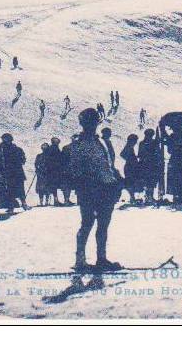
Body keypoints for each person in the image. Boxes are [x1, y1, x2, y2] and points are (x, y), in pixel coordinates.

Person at [69, 108, 124, 272]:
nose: (93, 125)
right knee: (93, 224)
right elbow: (89, 168)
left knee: (96, 224)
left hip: (96, 188)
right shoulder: (85, 143)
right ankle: (86, 260)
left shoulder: (88, 141)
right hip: (95, 188)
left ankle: (93, 259)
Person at [0, 133, 29, 211]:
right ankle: (13, 206)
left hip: (15, 172)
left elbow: (23, 159)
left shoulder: (14, 149)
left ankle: (23, 204)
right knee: (10, 189)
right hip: (10, 172)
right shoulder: (2, 149)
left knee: (18, 189)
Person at [138, 128, 164, 204]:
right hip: (151, 165)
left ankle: (148, 197)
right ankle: (149, 197)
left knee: (150, 181)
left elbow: (140, 154)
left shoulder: (142, 143)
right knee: (150, 181)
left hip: (146, 164)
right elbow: (158, 153)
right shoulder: (153, 143)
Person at [120, 134, 141, 204]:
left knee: (131, 182)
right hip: (129, 167)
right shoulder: (128, 146)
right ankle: (132, 198)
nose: (135, 142)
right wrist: (130, 160)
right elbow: (122, 154)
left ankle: (132, 197)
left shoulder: (130, 147)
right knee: (130, 183)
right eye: (135, 141)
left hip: (130, 167)